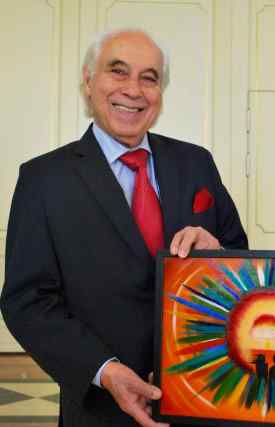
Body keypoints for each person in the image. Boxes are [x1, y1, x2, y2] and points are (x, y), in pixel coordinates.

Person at [0, 28, 247, 427]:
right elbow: (27, 302)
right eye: (118, 71)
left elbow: (243, 261)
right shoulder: (43, 179)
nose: (133, 90)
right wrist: (104, 370)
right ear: (88, 81)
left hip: (204, 397)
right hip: (100, 408)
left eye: (149, 78)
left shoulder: (196, 163)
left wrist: (218, 254)